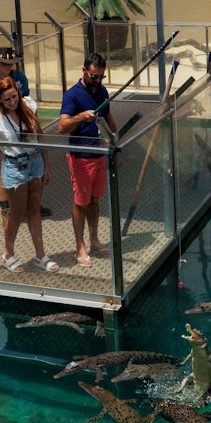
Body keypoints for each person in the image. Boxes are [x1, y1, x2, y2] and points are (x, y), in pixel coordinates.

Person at [0, 76, 57, 273]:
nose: (13, 102)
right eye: (7, 100)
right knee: (17, 213)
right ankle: (8, 253)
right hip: (14, 167)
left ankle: (40, 255)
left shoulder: (28, 105)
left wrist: (47, 165)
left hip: (35, 162)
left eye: (14, 96)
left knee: (35, 209)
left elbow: (40, 136)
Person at [0, 46, 51, 220]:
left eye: (11, 63)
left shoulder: (20, 77)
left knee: (31, 163)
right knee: (0, 169)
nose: (8, 66)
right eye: (4, 63)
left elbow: (26, 102)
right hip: (2, 131)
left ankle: (32, 204)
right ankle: (6, 208)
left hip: (22, 127)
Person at [58, 53, 117, 267]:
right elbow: (62, 127)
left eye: (101, 76)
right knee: (81, 203)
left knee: (94, 200)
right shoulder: (72, 95)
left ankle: (94, 240)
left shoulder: (102, 91)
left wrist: (116, 143)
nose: (98, 81)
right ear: (84, 71)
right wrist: (82, 117)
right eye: (94, 76)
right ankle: (80, 246)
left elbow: (108, 118)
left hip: (99, 154)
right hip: (81, 158)